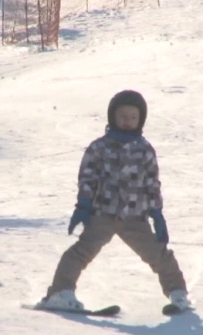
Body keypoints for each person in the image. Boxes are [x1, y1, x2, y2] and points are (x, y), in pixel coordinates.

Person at [37, 90, 191, 312]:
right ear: (112, 117)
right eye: (122, 116)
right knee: (81, 252)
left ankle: (178, 294)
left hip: (135, 217)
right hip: (103, 214)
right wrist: (83, 205)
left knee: (159, 254)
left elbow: (152, 182)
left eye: (133, 117)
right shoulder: (99, 147)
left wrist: (156, 213)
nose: (127, 122)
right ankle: (60, 293)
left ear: (140, 120)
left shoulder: (145, 149)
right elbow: (87, 178)